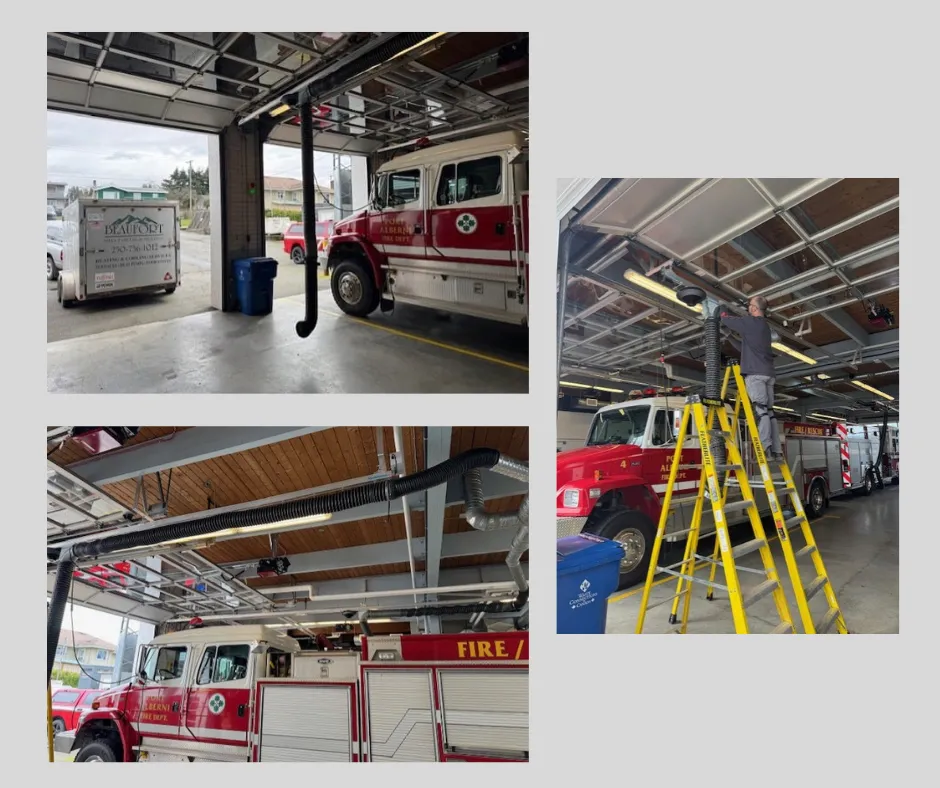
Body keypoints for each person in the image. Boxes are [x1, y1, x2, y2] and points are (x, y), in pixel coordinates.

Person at [719, 296, 784, 462]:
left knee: (760, 411)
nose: (748, 307)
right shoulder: (764, 328)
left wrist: (720, 308)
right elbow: (744, 348)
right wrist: (729, 336)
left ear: (755, 309)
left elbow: (725, 318)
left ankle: (765, 449)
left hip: (755, 374)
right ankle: (776, 451)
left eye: (749, 305)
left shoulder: (750, 322)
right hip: (768, 374)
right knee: (769, 412)